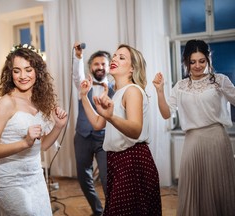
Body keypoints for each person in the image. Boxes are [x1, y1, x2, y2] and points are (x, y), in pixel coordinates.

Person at [0, 44, 68, 216]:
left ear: (37, 72)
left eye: (28, 70)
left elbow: (41, 146)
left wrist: (58, 126)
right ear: (10, 73)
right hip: (9, 179)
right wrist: (24, 142)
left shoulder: (39, 102)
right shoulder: (6, 103)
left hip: (35, 177)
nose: (23, 76)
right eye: (17, 71)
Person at [153, 39, 235, 216]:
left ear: (208, 60)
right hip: (192, 142)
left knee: (218, 188)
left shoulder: (220, 80)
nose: (197, 66)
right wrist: (160, 91)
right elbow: (167, 114)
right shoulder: (180, 86)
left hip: (217, 140)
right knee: (193, 187)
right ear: (186, 62)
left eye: (201, 61)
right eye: (192, 62)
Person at [80, 44, 162, 216]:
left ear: (132, 68)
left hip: (132, 160)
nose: (115, 59)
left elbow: (135, 130)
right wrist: (83, 97)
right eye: (115, 56)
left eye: (121, 57)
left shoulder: (132, 91)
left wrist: (110, 116)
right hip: (116, 161)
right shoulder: (115, 94)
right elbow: (97, 123)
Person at [72, 42, 114, 216]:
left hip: (104, 138)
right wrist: (79, 57)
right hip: (82, 136)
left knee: (106, 179)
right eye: (96, 64)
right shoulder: (84, 85)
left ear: (109, 67)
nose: (100, 67)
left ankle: (111, 211)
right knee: (83, 178)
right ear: (91, 67)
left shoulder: (115, 89)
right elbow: (77, 75)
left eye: (103, 64)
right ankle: (97, 210)